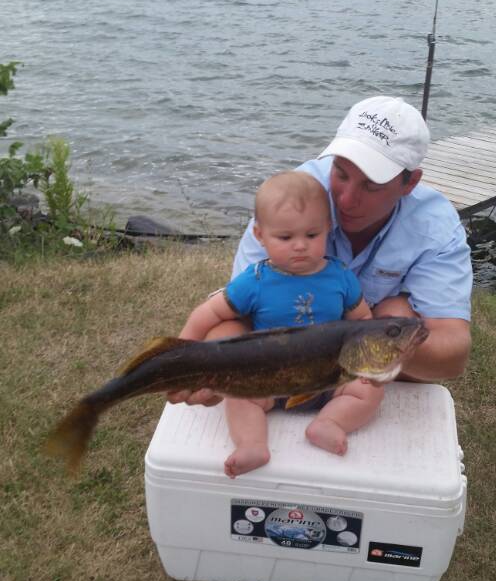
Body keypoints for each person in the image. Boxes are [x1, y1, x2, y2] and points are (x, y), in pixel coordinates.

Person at [170, 94, 472, 406]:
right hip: (280, 334)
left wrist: (378, 345)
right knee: (223, 333)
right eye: (340, 172)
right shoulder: (288, 201)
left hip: (361, 346)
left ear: (410, 183)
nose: (346, 200)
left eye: (371, 185)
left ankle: (339, 391)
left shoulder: (436, 226)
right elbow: (242, 311)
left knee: (398, 314)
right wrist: (206, 362)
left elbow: (453, 353)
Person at [177, 171, 384, 478]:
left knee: (370, 391)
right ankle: (252, 444)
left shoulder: (341, 277)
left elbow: (363, 322)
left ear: (328, 228)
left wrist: (368, 364)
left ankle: (329, 422)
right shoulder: (254, 282)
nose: (300, 246)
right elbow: (209, 313)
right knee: (237, 395)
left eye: (311, 235)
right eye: (285, 238)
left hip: (329, 378)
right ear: (260, 235)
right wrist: (182, 352)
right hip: (269, 381)